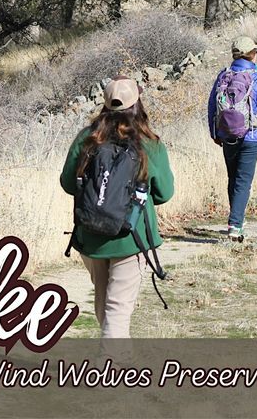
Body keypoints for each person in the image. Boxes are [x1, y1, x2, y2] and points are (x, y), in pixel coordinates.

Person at [61, 76, 174, 345]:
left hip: (90, 237)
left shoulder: (87, 139)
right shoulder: (150, 143)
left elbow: (68, 184)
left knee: (106, 304)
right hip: (130, 238)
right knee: (117, 310)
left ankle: (118, 355)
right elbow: (164, 193)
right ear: (137, 104)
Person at [208, 36, 257, 242]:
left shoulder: (223, 76)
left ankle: (236, 220)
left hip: (227, 134)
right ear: (252, 54)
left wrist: (215, 133)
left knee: (233, 178)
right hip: (252, 135)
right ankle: (235, 225)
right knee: (243, 181)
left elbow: (212, 106)